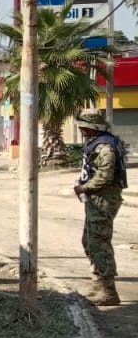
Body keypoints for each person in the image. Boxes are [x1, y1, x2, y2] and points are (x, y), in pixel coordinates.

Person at [73, 108, 126, 306]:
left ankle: (109, 290)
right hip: (96, 200)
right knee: (89, 241)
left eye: (83, 126)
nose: (81, 130)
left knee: (99, 243)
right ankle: (99, 283)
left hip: (104, 200)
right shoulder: (98, 142)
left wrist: (83, 187)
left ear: (91, 126)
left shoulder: (105, 147)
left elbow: (105, 175)